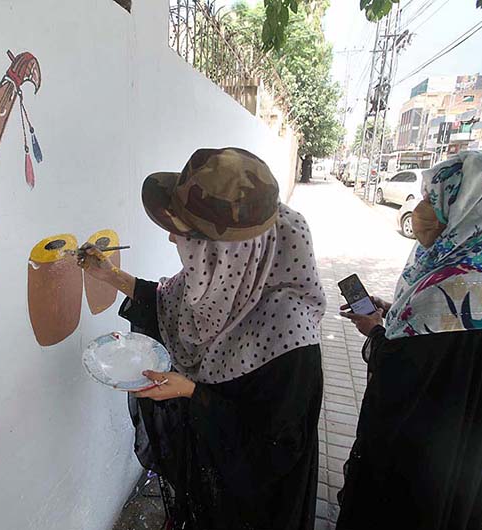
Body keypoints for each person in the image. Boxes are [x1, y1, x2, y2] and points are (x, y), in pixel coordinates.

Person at [79, 147, 326, 530]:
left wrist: (193, 393)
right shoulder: (229, 281)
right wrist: (112, 276)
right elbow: (167, 305)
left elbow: (275, 449)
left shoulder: (290, 330)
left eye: (181, 234)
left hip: (251, 508)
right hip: (209, 476)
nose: (170, 241)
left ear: (224, 253)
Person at [337, 151, 482, 530]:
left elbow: (400, 369)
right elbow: (444, 348)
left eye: (438, 199)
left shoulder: (455, 289)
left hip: (419, 451)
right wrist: (392, 310)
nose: (421, 209)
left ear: (476, 204)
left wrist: (372, 328)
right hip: (464, 443)